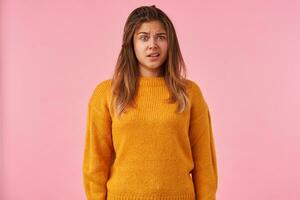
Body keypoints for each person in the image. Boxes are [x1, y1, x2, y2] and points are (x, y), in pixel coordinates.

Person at [82, 5, 218, 200]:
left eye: (160, 37)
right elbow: (95, 164)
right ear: (131, 43)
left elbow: (205, 163)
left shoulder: (189, 92)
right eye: (144, 37)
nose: (152, 45)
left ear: (170, 42)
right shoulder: (106, 93)